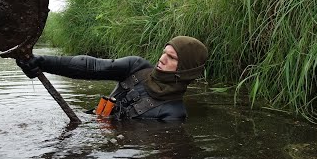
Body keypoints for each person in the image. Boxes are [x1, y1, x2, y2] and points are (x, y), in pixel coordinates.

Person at [16, 36, 208, 121]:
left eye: (172, 57)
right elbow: (91, 66)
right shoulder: (136, 66)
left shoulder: (174, 114)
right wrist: (42, 62)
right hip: (90, 121)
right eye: (164, 52)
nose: (162, 59)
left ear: (186, 69)